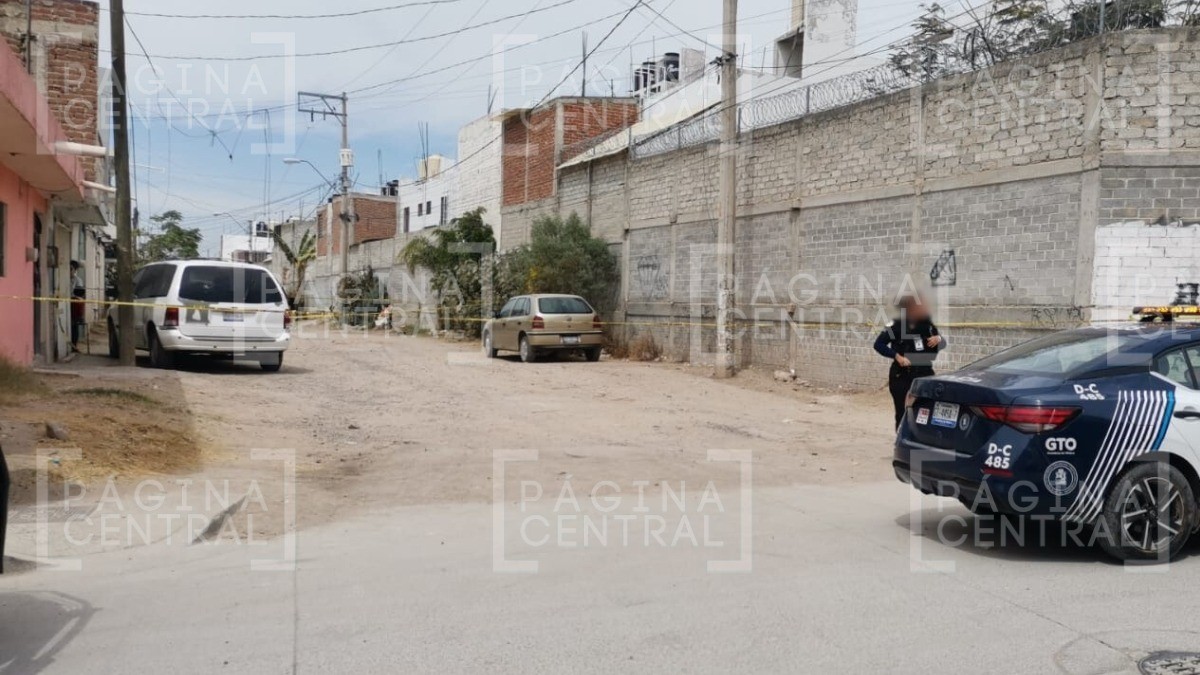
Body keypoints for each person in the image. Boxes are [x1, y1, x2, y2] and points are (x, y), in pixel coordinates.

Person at [873, 293, 945, 429]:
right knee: (902, 413)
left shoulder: (927, 324)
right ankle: (903, 443)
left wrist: (939, 339)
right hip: (902, 376)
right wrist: (897, 356)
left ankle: (920, 442)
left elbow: (942, 341)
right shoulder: (895, 325)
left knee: (925, 412)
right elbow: (878, 344)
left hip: (924, 374)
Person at [70, 261, 86, 350]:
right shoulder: (62, 279)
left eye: (71, 269)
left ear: (75, 270)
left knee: (74, 326)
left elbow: (79, 294)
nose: (69, 271)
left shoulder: (78, 281)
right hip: (65, 304)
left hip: (74, 305)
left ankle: (74, 345)